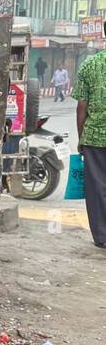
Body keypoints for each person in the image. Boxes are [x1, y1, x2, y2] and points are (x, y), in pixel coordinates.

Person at [72, 47, 106, 249]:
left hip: (94, 137)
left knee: (97, 188)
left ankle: (102, 236)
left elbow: (81, 106)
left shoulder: (89, 64)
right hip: (93, 137)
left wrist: (81, 137)